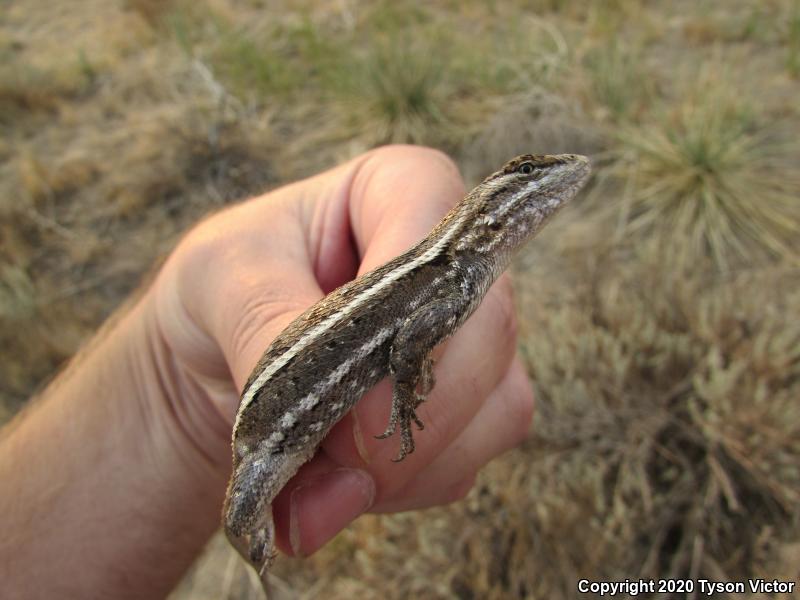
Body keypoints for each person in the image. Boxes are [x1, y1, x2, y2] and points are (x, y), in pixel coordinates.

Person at [0, 145, 534, 598]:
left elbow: (411, 342)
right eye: (528, 172)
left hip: (296, 402)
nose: (541, 179)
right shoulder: (454, 274)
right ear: (488, 213)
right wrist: (408, 396)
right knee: (243, 516)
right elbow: (411, 345)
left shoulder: (458, 271)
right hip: (269, 432)